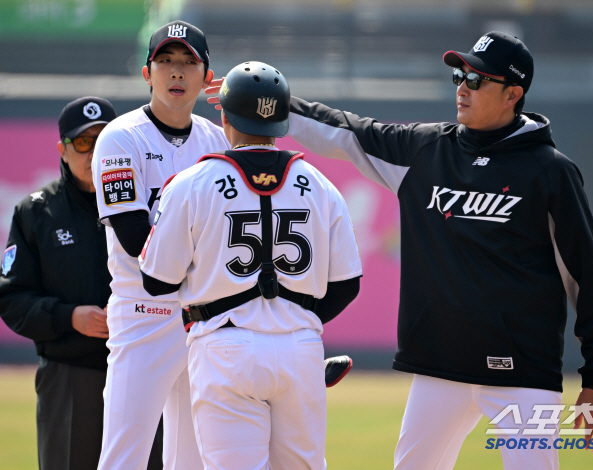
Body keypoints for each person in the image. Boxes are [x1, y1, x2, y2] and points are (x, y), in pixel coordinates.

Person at [209, 31, 593, 469]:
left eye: (477, 80)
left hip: (523, 372)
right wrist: (265, 103)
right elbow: (347, 131)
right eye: (460, 75)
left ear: (512, 94)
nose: (462, 86)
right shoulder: (425, 150)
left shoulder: (550, 172)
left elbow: (588, 275)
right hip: (440, 367)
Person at [139, 61, 362, 470]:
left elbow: (155, 280)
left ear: (223, 115)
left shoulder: (191, 183)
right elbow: (348, 285)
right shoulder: (321, 185)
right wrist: (291, 320)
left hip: (224, 348)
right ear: (281, 120)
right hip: (300, 350)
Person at [91, 20, 228, 470]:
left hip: (199, 319)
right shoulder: (120, 136)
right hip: (143, 315)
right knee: (123, 456)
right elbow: (134, 240)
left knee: (192, 459)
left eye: (189, 62)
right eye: (165, 61)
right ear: (146, 72)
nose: (176, 72)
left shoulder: (217, 140)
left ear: (207, 77)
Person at [0, 97, 163, 470]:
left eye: (103, 139)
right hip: (72, 374)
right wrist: (68, 317)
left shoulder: (149, 202)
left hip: (146, 369)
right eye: (82, 142)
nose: (92, 152)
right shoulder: (37, 211)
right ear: (63, 148)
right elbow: (11, 297)